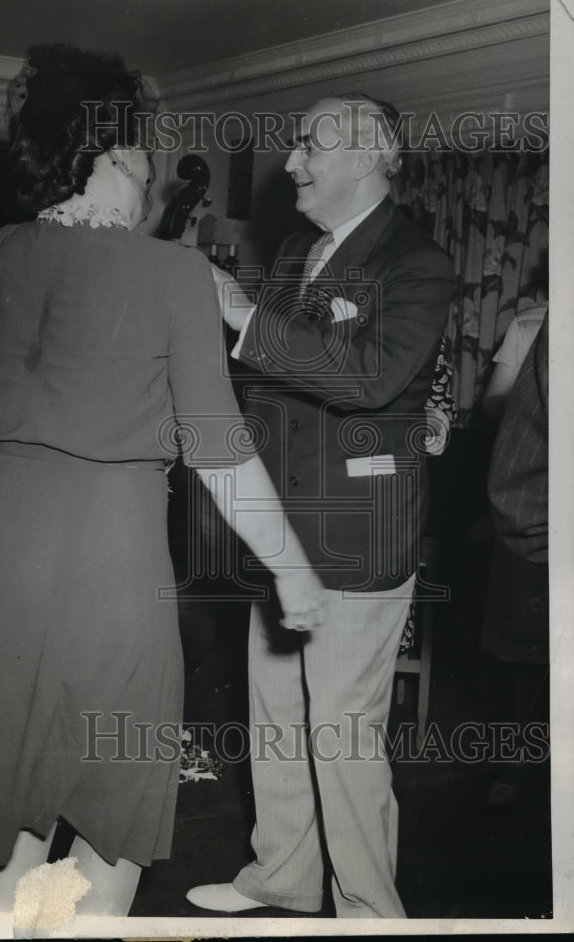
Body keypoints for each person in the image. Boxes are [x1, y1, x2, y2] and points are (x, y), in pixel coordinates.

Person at [0, 45, 326, 917]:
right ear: (108, 153)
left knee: (0, 796)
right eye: (140, 146)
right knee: (111, 801)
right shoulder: (173, 272)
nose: (146, 166)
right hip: (109, 546)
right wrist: (289, 566)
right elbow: (216, 443)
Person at [188, 94, 455, 917]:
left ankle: (370, 911)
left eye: (309, 145)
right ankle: (283, 875)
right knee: (274, 715)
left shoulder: (417, 262)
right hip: (282, 532)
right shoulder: (303, 248)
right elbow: (280, 383)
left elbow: (371, 379)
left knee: (341, 734)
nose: (292, 161)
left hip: (356, 534)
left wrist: (240, 314)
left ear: (373, 153)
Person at [481, 314, 549, 806]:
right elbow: (494, 413)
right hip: (537, 505)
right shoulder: (532, 325)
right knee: (526, 653)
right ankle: (520, 759)